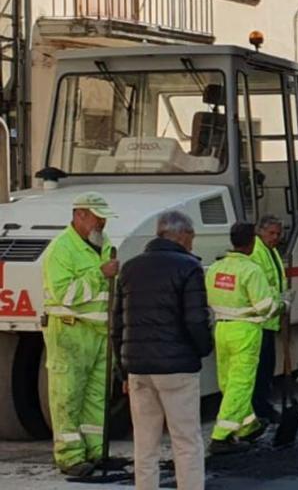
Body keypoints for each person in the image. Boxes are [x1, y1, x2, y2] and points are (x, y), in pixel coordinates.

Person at [112, 211, 213, 490]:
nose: (192, 242)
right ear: (181, 235)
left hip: (139, 369)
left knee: (145, 444)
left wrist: (124, 370)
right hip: (177, 368)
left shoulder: (130, 269)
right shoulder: (189, 268)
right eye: (192, 236)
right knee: (186, 441)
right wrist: (203, 349)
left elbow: (117, 324)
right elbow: (195, 319)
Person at [41, 192, 119, 477]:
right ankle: (70, 457)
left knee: (96, 396)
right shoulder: (61, 249)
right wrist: (101, 273)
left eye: (104, 216)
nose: (102, 221)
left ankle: (96, 451)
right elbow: (66, 294)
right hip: (70, 330)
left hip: (98, 333)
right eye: (98, 216)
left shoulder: (102, 243)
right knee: (67, 395)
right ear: (79, 215)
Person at [205, 222, 281, 454]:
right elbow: (265, 308)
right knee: (241, 384)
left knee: (227, 382)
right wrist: (283, 305)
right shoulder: (250, 270)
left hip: (221, 328)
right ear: (251, 242)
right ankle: (220, 436)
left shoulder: (216, 268)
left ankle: (248, 427)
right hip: (245, 331)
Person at [250, 215, 288, 423]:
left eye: (278, 234)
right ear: (260, 231)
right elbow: (260, 287)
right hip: (259, 321)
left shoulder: (270, 251)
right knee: (260, 369)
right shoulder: (256, 252)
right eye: (271, 233)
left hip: (270, 319)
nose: (275, 237)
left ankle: (262, 405)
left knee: (266, 367)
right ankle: (260, 408)